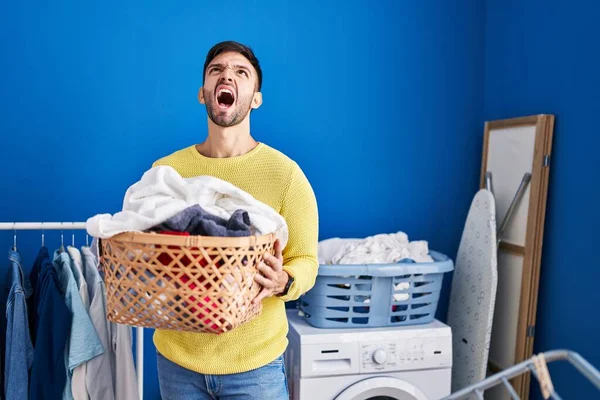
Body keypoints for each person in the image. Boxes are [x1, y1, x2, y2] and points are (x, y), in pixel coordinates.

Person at [151, 40, 319, 399]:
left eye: (241, 72)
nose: (227, 75)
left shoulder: (285, 174)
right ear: (203, 93)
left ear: (255, 97)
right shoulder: (167, 172)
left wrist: (284, 280)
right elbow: (149, 246)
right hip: (178, 361)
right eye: (217, 71)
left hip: (255, 365)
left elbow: (306, 260)